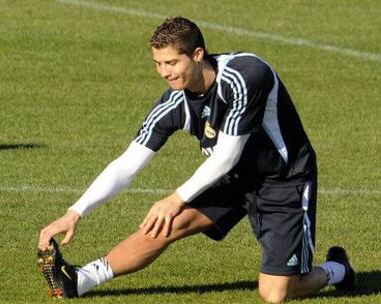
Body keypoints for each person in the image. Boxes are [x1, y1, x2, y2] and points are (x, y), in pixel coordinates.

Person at [37, 17, 356, 302]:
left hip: (281, 181)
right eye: (158, 63)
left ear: (198, 55)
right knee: (165, 223)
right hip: (231, 179)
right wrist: (75, 212)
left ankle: (336, 269)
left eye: (172, 62)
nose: (164, 72)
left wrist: (175, 198)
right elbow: (127, 163)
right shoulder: (174, 102)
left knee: (274, 294)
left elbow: (227, 155)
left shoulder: (246, 76)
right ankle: (80, 280)